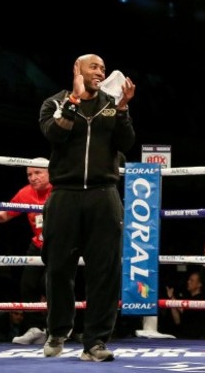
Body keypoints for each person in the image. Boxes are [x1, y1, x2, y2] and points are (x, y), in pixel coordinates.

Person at [38, 53, 135, 362]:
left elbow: (126, 142)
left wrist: (122, 109)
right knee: (58, 268)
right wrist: (75, 101)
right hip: (64, 195)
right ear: (76, 69)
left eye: (103, 68)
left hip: (103, 195)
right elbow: (56, 133)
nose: (99, 71)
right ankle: (58, 330)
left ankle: (95, 341)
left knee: (105, 271)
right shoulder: (53, 103)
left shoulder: (110, 103)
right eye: (93, 66)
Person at [0, 160, 53, 345]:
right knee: (27, 285)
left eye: (38, 173)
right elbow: (8, 213)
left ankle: (57, 328)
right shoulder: (25, 192)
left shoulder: (61, 189)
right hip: (38, 244)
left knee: (49, 285)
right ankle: (36, 328)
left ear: (50, 172)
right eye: (29, 174)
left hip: (61, 244)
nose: (33, 177)